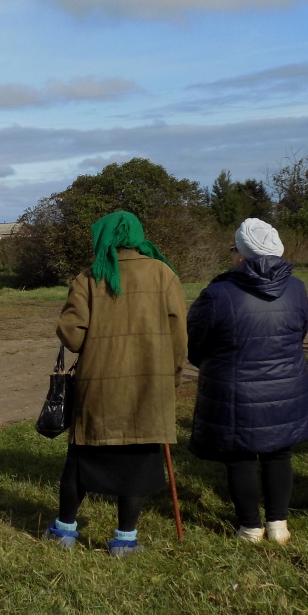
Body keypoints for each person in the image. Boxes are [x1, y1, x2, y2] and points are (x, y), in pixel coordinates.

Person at [45, 211, 188, 556]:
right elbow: (179, 338)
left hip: (99, 389)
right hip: (149, 389)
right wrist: (173, 378)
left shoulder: (89, 277)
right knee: (138, 461)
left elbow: (72, 337)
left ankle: (64, 531)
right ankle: (125, 539)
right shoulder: (164, 274)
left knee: (81, 461)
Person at [188, 219, 308, 543]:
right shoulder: (297, 289)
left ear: (242, 254)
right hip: (284, 386)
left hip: (235, 388)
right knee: (278, 453)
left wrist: (207, 362)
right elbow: (300, 333)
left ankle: (250, 527)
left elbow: (196, 341)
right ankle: (278, 525)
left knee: (240, 455)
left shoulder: (217, 293)